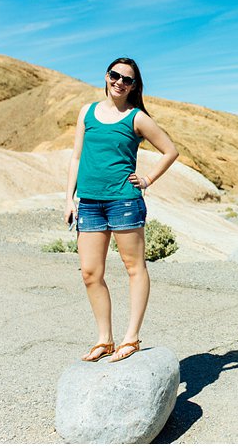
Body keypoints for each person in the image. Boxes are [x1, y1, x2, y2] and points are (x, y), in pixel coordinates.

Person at [64, 58, 178, 362]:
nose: (119, 82)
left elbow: (170, 150)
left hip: (124, 201)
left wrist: (148, 178)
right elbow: (76, 157)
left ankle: (131, 338)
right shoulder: (87, 112)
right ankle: (105, 340)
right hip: (89, 202)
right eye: (115, 76)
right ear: (106, 76)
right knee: (90, 273)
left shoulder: (137, 118)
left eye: (127, 79)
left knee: (134, 267)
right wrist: (68, 199)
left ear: (134, 86)